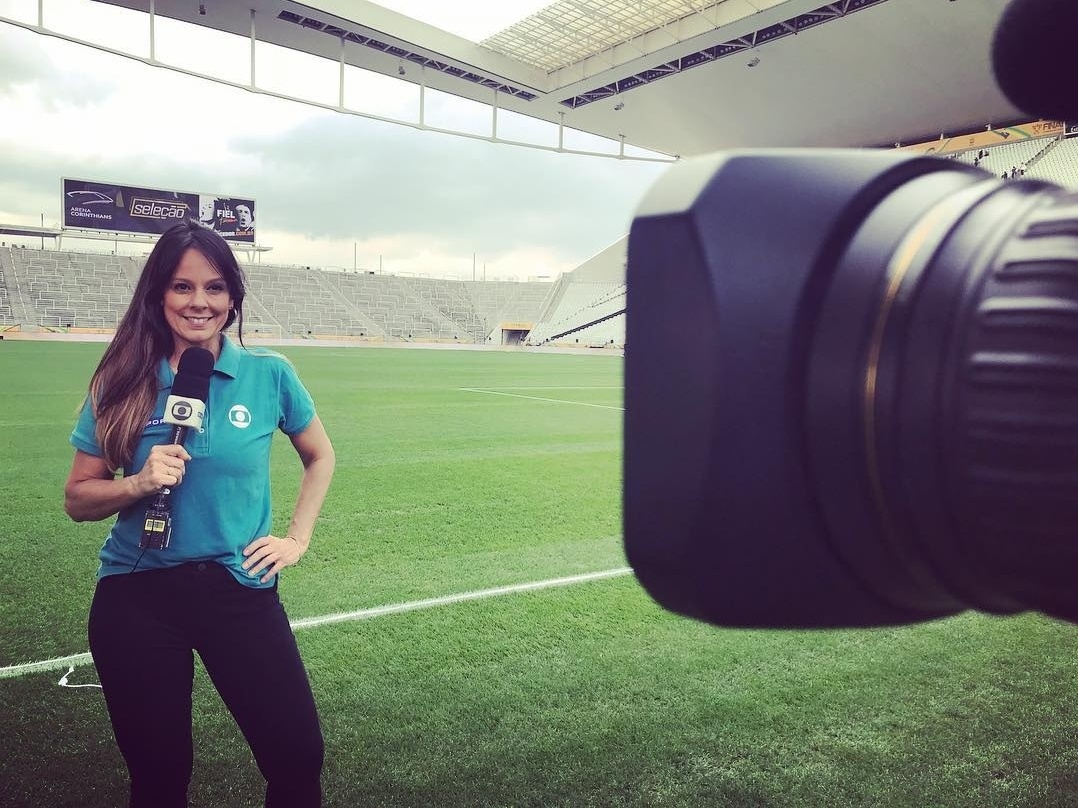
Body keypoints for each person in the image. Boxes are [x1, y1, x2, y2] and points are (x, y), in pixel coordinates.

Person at [64, 219, 334, 808]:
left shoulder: (270, 374)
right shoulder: (120, 380)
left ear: (233, 297)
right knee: (159, 779)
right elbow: (78, 498)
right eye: (183, 287)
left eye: (214, 287)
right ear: (158, 293)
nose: (199, 303)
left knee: (296, 758)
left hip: (239, 589)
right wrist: (136, 482)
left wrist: (296, 538)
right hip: (137, 596)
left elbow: (320, 455)